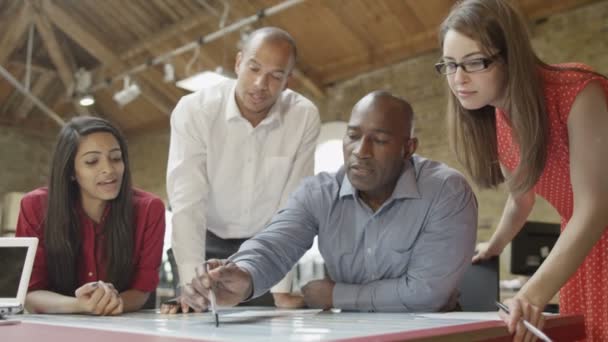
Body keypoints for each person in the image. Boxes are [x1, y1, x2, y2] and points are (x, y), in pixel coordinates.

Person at [181, 91, 477, 313]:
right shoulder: (319, 192)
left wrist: (335, 295)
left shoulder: (446, 192)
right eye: (352, 136)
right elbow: (275, 244)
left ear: (408, 148)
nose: (361, 151)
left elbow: (426, 294)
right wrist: (243, 275)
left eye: (381, 140)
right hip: (353, 332)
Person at [436, 0, 608, 340]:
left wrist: (531, 294)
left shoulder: (577, 92)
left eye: (475, 62)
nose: (459, 79)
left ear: (510, 55)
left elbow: (594, 207)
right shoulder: (499, 122)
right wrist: (494, 247)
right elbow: (521, 199)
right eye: (450, 65)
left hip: (590, 231)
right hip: (582, 251)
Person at [164, 26, 321, 312]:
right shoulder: (194, 110)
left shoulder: (303, 116)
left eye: (276, 76)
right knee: (197, 319)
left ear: (288, 81)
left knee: (264, 328)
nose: (261, 84)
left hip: (262, 249)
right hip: (205, 239)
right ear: (238, 63)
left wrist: (281, 290)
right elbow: (187, 204)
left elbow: (292, 205)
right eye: (253, 68)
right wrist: (190, 287)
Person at [15, 116, 166, 315]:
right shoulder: (35, 207)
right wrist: (80, 305)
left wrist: (110, 303)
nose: (109, 169)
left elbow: (142, 290)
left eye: (116, 158)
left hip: (121, 327)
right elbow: (30, 291)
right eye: (92, 161)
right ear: (70, 171)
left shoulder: (149, 209)